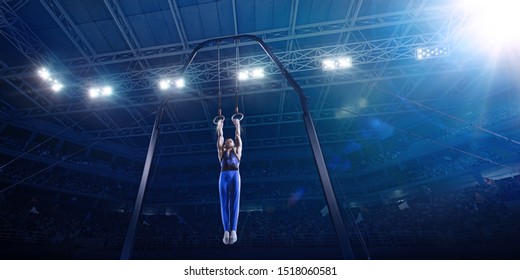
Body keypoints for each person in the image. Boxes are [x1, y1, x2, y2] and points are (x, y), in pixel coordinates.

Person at [216, 118, 242, 245]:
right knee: (224, 203)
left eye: (230, 140)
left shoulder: (237, 151)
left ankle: (234, 230)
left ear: (233, 144)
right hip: (224, 176)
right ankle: (226, 230)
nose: (229, 141)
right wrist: (220, 126)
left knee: (235, 202)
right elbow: (220, 135)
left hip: (235, 175)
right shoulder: (221, 151)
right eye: (227, 141)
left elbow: (237, 135)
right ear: (224, 144)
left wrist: (237, 124)